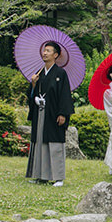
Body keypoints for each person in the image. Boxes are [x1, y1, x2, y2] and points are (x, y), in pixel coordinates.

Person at [26, 41, 75, 187]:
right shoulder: (39, 73)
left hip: (54, 113)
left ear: (56, 55)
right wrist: (33, 85)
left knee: (54, 143)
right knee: (39, 141)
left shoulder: (61, 73)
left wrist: (63, 114)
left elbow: (65, 95)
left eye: (48, 51)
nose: (44, 53)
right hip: (40, 113)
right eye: (44, 50)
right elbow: (30, 94)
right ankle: (40, 175)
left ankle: (58, 177)